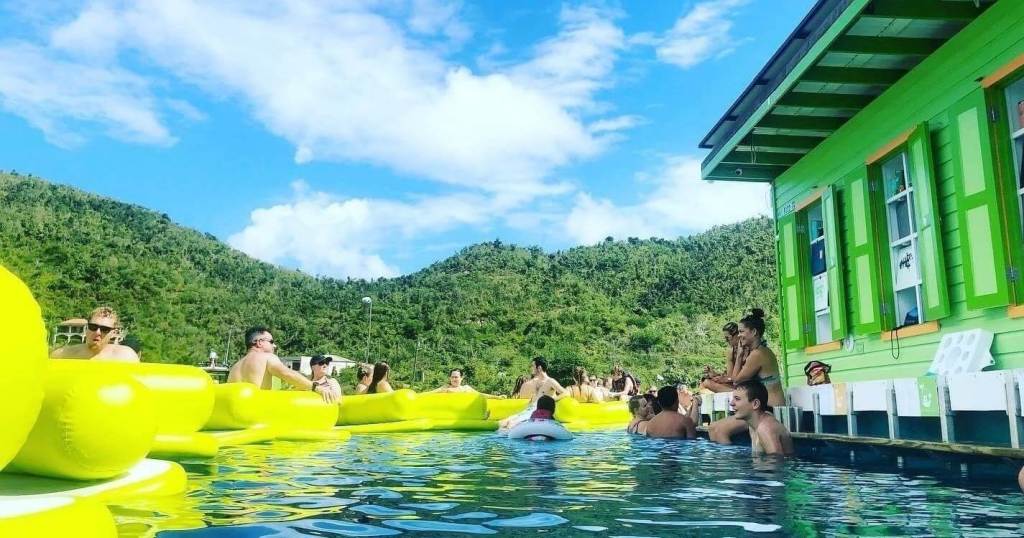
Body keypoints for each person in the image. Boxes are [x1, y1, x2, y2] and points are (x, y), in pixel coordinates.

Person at [708, 308, 785, 444]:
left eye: (742, 331)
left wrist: (738, 356)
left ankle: (733, 457)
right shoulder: (757, 352)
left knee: (719, 430)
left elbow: (736, 381)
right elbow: (736, 380)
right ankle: (729, 456)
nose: (739, 336)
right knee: (712, 428)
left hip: (770, 409)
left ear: (754, 332)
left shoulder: (758, 354)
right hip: (761, 407)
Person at [227, 326, 338, 403]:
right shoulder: (267, 357)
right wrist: (316, 387)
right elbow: (287, 373)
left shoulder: (235, 367)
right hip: (256, 416)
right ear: (259, 342)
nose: (274, 346)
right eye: (271, 342)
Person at [499, 357, 569, 431]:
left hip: (537, 412)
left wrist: (552, 399)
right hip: (529, 409)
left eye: (533, 366)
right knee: (504, 422)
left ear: (539, 368)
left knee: (511, 424)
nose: (531, 368)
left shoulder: (550, 381)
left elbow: (566, 393)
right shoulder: (535, 382)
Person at [51, 307, 140, 362]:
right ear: (87, 328)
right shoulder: (63, 355)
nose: (97, 332)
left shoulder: (126, 357)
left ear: (114, 333)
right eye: (93, 327)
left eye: (105, 329)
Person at [732, 380, 793, 456]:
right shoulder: (754, 423)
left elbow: (776, 461)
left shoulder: (765, 428)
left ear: (755, 404)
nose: (731, 403)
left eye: (737, 399)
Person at [701, 321, 748, 393]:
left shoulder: (748, 349)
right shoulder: (730, 351)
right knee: (706, 382)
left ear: (737, 335)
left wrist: (726, 379)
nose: (726, 341)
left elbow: (741, 378)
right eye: (725, 338)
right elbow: (730, 376)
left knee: (708, 383)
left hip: (747, 386)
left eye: (727, 338)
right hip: (735, 385)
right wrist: (715, 375)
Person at [429, 368, 504, 398]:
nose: (454, 379)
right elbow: (431, 393)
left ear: (461, 378)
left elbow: (480, 395)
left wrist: (497, 397)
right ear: (450, 378)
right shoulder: (445, 387)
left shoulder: (466, 388)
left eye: (456, 377)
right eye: (452, 377)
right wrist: (421, 395)